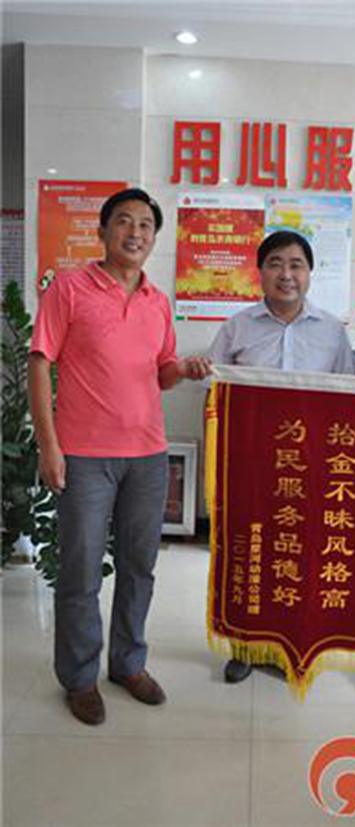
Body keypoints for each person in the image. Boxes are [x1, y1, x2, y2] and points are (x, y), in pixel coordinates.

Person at [28, 188, 211, 725]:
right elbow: (40, 364)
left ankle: (128, 664)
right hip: (84, 456)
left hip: (148, 456)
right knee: (81, 570)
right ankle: (80, 677)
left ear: (155, 237)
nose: (136, 233)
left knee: (139, 567)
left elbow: (162, 372)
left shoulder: (157, 300)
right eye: (125, 222)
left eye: (146, 225)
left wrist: (184, 369)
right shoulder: (69, 289)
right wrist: (48, 445)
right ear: (103, 231)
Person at [208, 229, 355, 683]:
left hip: (309, 467)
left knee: (300, 553)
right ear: (260, 272)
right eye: (275, 264)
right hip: (249, 463)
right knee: (247, 551)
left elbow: (349, 399)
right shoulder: (237, 327)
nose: (286, 274)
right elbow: (214, 392)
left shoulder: (332, 332)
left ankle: (292, 643)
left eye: (296, 265)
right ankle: (245, 644)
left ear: (310, 273)